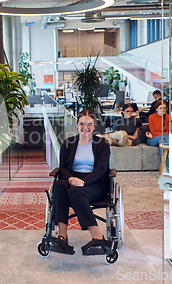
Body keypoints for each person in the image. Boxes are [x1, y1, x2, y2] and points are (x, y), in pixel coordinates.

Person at [51, 109, 112, 255]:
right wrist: (71, 179)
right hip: (72, 178)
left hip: (94, 182)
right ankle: (62, 236)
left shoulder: (102, 144)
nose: (86, 127)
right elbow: (63, 168)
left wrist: (83, 182)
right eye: (82, 124)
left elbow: (101, 169)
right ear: (77, 125)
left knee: (74, 191)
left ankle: (98, 237)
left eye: (89, 124)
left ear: (95, 125)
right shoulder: (68, 143)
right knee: (59, 185)